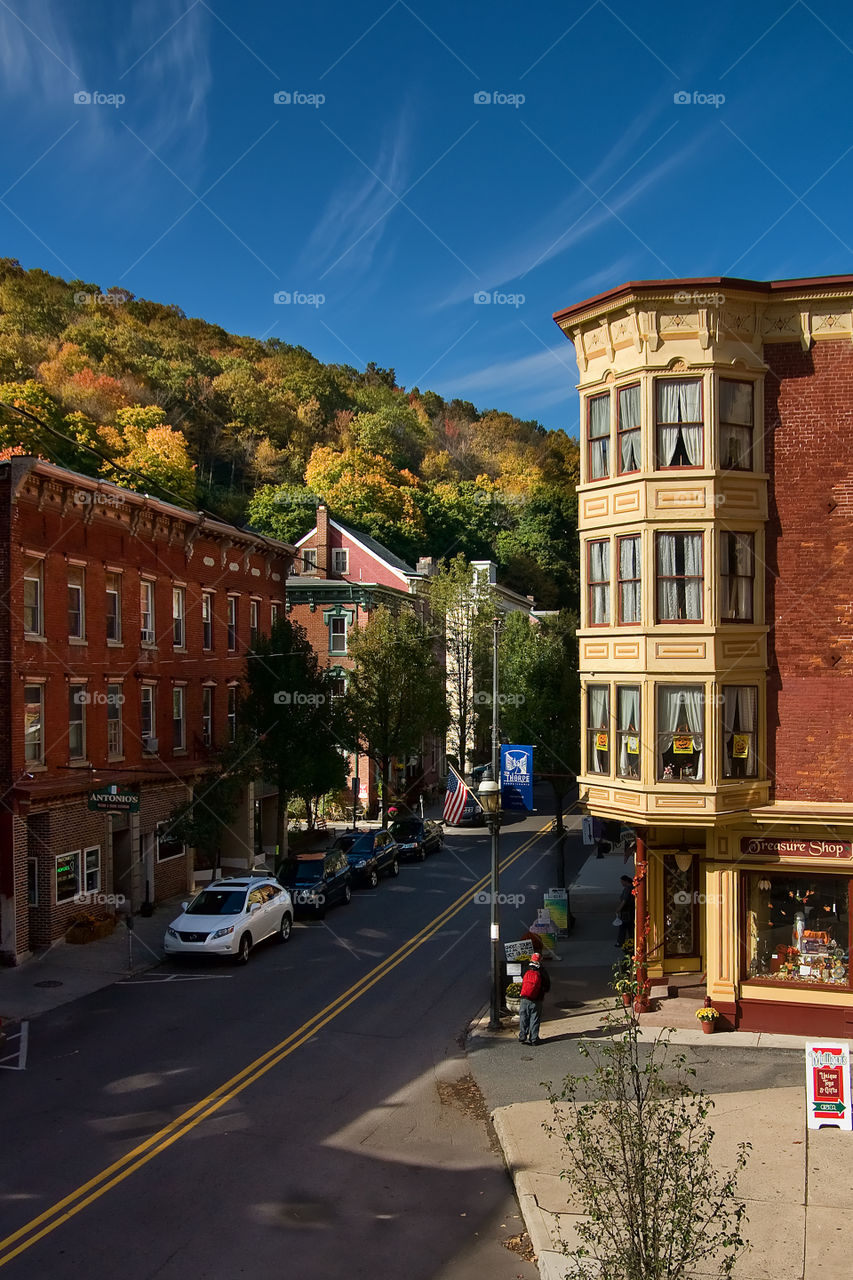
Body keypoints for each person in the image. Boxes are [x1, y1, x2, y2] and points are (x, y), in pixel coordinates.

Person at [518, 953, 551, 1046]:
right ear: (540, 960)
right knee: (534, 1018)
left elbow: (522, 979)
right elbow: (547, 986)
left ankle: (522, 1035)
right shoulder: (542, 971)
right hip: (537, 999)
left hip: (524, 998)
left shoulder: (525, 969)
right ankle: (534, 1038)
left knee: (523, 1016)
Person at [616, 875, 635, 948]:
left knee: (623, 927)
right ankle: (632, 941)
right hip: (630, 911)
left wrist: (619, 909)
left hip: (626, 911)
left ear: (626, 881)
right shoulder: (631, 888)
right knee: (630, 928)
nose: (621, 883)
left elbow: (624, 900)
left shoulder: (628, 889)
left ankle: (620, 942)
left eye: (622, 882)